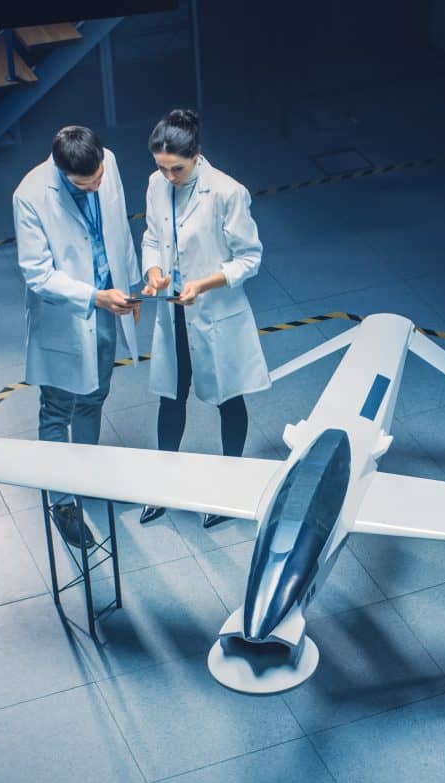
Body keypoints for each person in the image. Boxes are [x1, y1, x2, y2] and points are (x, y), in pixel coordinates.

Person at [137, 109, 270, 527]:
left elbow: (250, 258)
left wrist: (204, 284)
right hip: (175, 311)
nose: (169, 177)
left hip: (214, 313)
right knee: (170, 396)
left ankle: (229, 490)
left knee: (228, 397)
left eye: (176, 169)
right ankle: (161, 485)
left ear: (196, 155)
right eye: (162, 168)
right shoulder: (156, 184)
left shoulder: (228, 193)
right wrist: (154, 271)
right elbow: (153, 237)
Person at [12, 125, 141, 548]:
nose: (98, 184)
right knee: (56, 409)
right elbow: (37, 274)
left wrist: (133, 287)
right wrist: (92, 296)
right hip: (68, 315)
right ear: (62, 172)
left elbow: (118, 230)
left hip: (109, 304)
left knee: (94, 396)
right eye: (87, 184)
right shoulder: (30, 195)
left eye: (100, 176)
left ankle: (85, 474)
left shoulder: (110, 163)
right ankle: (63, 501)